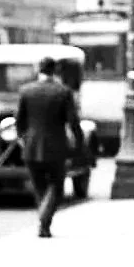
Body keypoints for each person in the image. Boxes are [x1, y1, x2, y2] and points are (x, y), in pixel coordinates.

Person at [16, 55, 83, 237]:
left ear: (39, 69)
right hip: (56, 147)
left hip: (31, 147)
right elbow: (73, 122)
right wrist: (79, 143)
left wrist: (23, 139)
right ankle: (44, 220)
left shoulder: (26, 91)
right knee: (57, 187)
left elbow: (19, 122)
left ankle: (44, 223)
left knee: (40, 187)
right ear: (55, 71)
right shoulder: (63, 92)